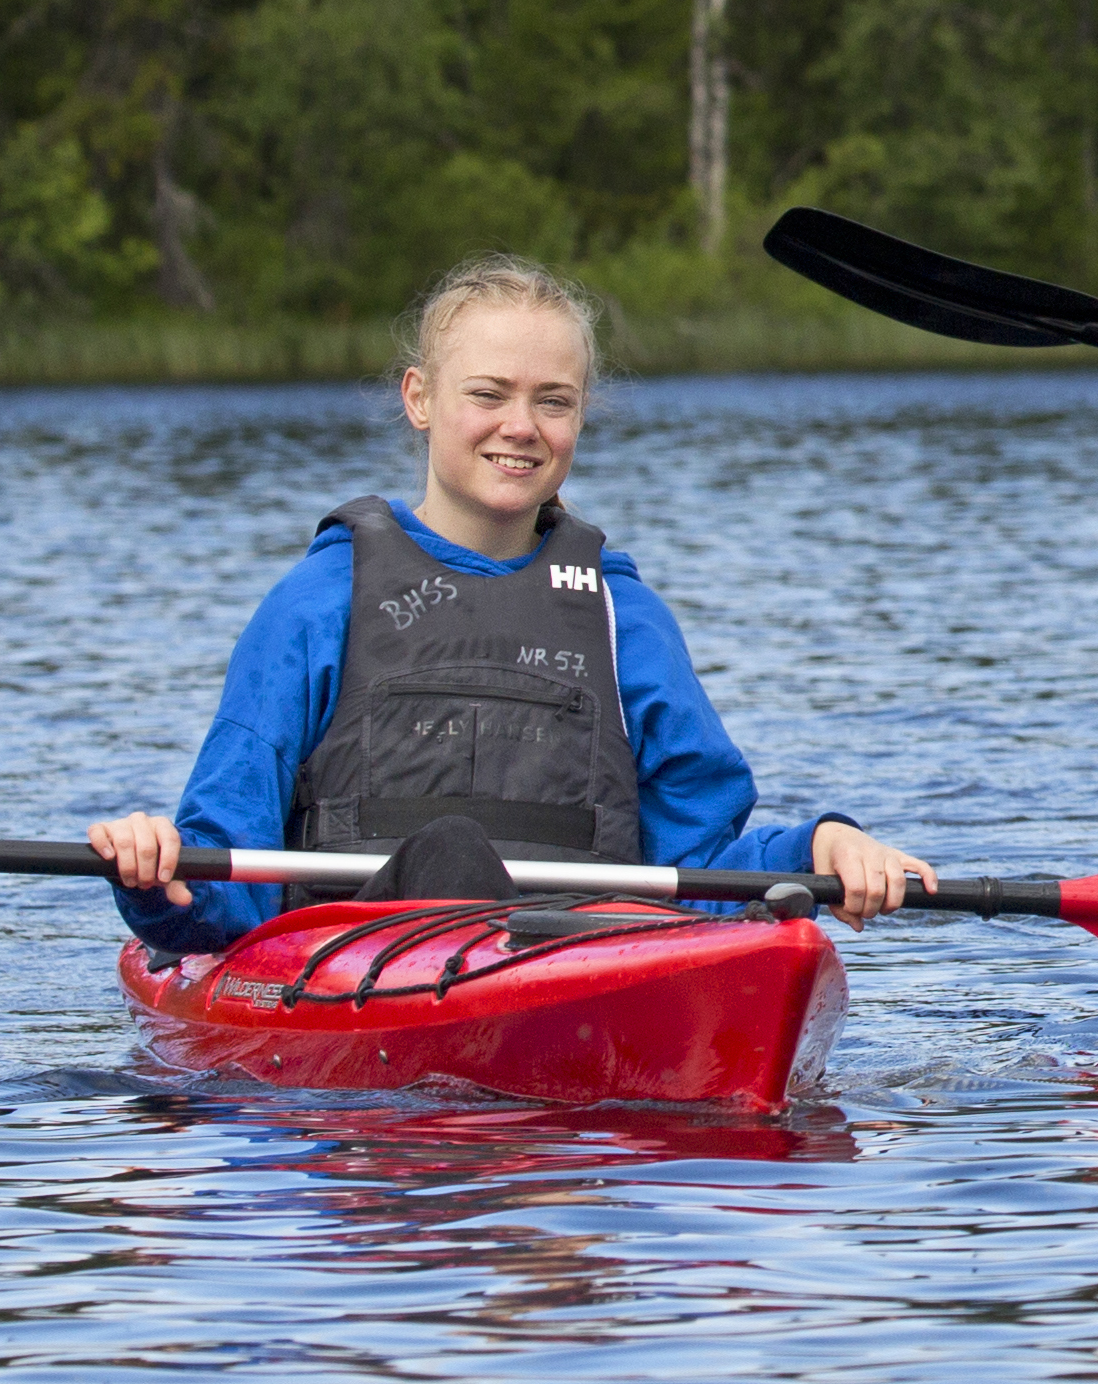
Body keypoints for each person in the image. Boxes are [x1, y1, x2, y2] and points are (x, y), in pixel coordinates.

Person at [85, 254, 931, 951]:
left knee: (787, 942)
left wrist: (815, 848)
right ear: (420, 399)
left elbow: (698, 871)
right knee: (449, 852)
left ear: (581, 415)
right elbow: (224, 877)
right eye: (488, 394)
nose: (520, 426)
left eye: (552, 401)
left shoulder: (619, 615)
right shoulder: (319, 600)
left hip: (575, 962)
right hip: (357, 977)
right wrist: (161, 878)